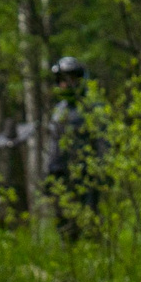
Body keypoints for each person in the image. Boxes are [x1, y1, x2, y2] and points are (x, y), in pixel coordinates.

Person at [42, 55, 108, 236]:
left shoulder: (91, 108)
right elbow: (53, 145)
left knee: (90, 223)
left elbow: (103, 142)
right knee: (65, 226)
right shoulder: (59, 111)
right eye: (62, 80)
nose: (66, 84)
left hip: (86, 177)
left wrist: (101, 172)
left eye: (70, 79)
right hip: (61, 177)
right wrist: (49, 173)